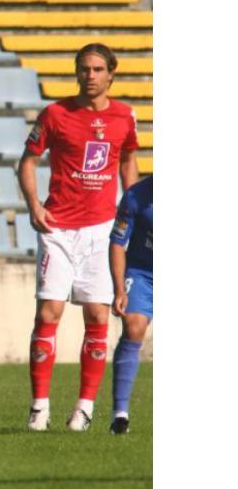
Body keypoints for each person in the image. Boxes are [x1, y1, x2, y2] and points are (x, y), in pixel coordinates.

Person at [18, 43, 139, 432]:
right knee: (47, 313)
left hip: (102, 230)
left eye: (98, 69)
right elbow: (28, 161)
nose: (90, 75)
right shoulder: (55, 113)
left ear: (111, 74)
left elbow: (128, 161)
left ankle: (84, 408)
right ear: (77, 72)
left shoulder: (125, 116)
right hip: (58, 229)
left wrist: (133, 210)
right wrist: (35, 204)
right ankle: (39, 407)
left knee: (98, 316)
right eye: (84, 69)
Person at [108, 175, 152, 434]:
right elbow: (117, 243)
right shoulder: (136, 196)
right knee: (134, 327)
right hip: (143, 273)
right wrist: (119, 288)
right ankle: (120, 414)